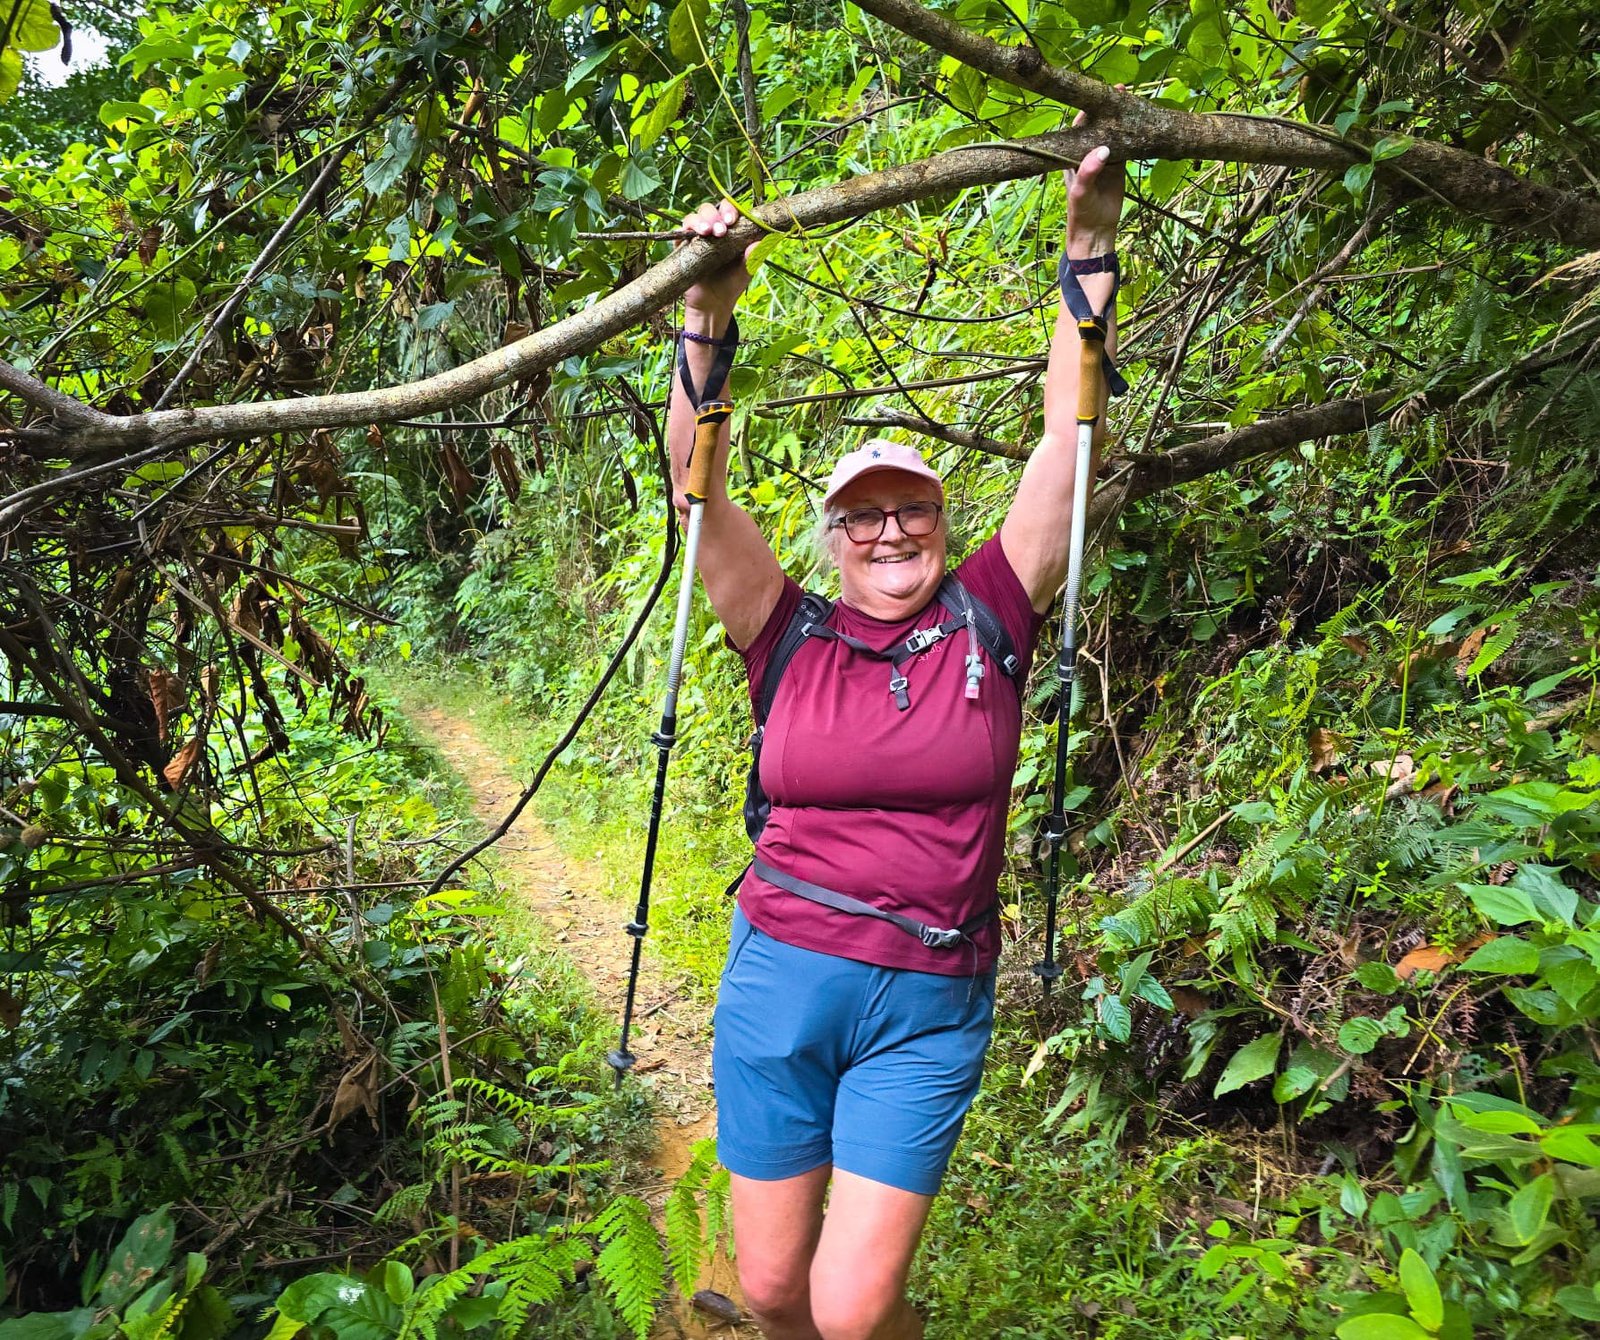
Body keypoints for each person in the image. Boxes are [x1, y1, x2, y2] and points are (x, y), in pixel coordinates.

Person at [667, 138, 1123, 1340]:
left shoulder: (991, 610)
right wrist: (707, 312)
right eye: (860, 515)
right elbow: (695, 495)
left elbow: (1069, 445)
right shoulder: (783, 632)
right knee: (771, 1291)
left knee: (855, 1307)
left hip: (927, 993)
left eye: (908, 506)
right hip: (781, 974)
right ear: (830, 535)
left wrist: (1089, 245)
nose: (887, 532)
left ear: (939, 516)